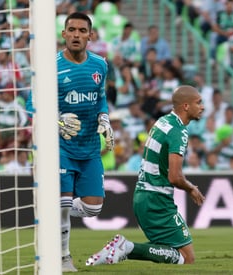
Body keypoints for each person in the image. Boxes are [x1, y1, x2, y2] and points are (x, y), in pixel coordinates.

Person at [26, 12, 113, 272]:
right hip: (59, 147)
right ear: (63, 34)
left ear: (90, 35)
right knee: (63, 202)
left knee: (92, 208)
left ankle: (51, 211)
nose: (76, 34)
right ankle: (63, 257)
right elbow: (32, 105)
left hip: (89, 148)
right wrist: (56, 121)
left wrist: (105, 119)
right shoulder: (50, 66)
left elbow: (100, 98)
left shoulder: (100, 65)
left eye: (82, 30)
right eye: (71, 30)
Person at [86, 85, 205, 266]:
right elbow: (175, 176)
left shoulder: (162, 121)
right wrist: (191, 188)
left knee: (169, 250)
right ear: (186, 106)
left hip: (143, 195)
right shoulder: (178, 131)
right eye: (199, 103)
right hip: (157, 199)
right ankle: (125, 247)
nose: (202, 107)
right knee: (187, 258)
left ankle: (119, 249)